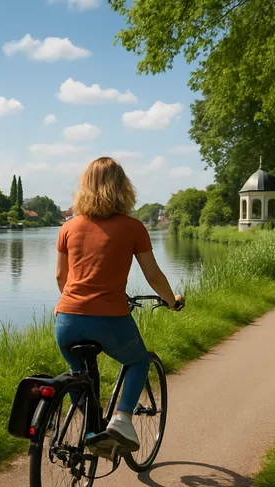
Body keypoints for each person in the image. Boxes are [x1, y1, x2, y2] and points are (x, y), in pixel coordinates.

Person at [54, 156, 184, 452]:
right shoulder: (133, 228)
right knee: (138, 361)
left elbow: (62, 277)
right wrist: (171, 300)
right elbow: (153, 275)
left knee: (81, 376)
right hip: (109, 320)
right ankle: (122, 419)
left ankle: (92, 433)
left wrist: (75, 303)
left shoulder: (68, 228)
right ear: (123, 187)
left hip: (66, 320)